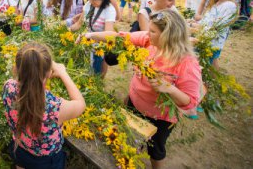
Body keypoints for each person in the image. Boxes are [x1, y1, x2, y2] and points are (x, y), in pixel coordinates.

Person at [84, 9, 201, 169]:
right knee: (131, 137)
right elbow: (120, 37)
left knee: (155, 149)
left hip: (159, 118)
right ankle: (127, 160)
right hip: (134, 104)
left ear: (167, 35)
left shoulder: (186, 63)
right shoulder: (148, 41)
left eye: (152, 31)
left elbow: (191, 101)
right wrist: (91, 35)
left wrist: (169, 89)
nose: (147, 33)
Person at [2, 43, 85, 169]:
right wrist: (63, 73)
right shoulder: (55, 107)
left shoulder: (8, 87)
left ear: (16, 68)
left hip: (20, 148)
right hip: (46, 161)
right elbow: (81, 104)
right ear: (49, 74)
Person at [190, 0, 237, 69]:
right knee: (209, 67)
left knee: (207, 67)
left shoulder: (229, 6)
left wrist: (193, 28)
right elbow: (206, 22)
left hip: (212, 43)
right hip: (204, 40)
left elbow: (217, 27)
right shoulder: (217, 3)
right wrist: (193, 24)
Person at [70, 0, 116, 77]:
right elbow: (79, 23)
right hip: (86, 43)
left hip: (98, 48)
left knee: (95, 74)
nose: (91, 1)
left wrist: (92, 36)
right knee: (83, 72)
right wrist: (67, 30)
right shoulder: (88, 5)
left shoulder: (109, 10)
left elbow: (108, 35)